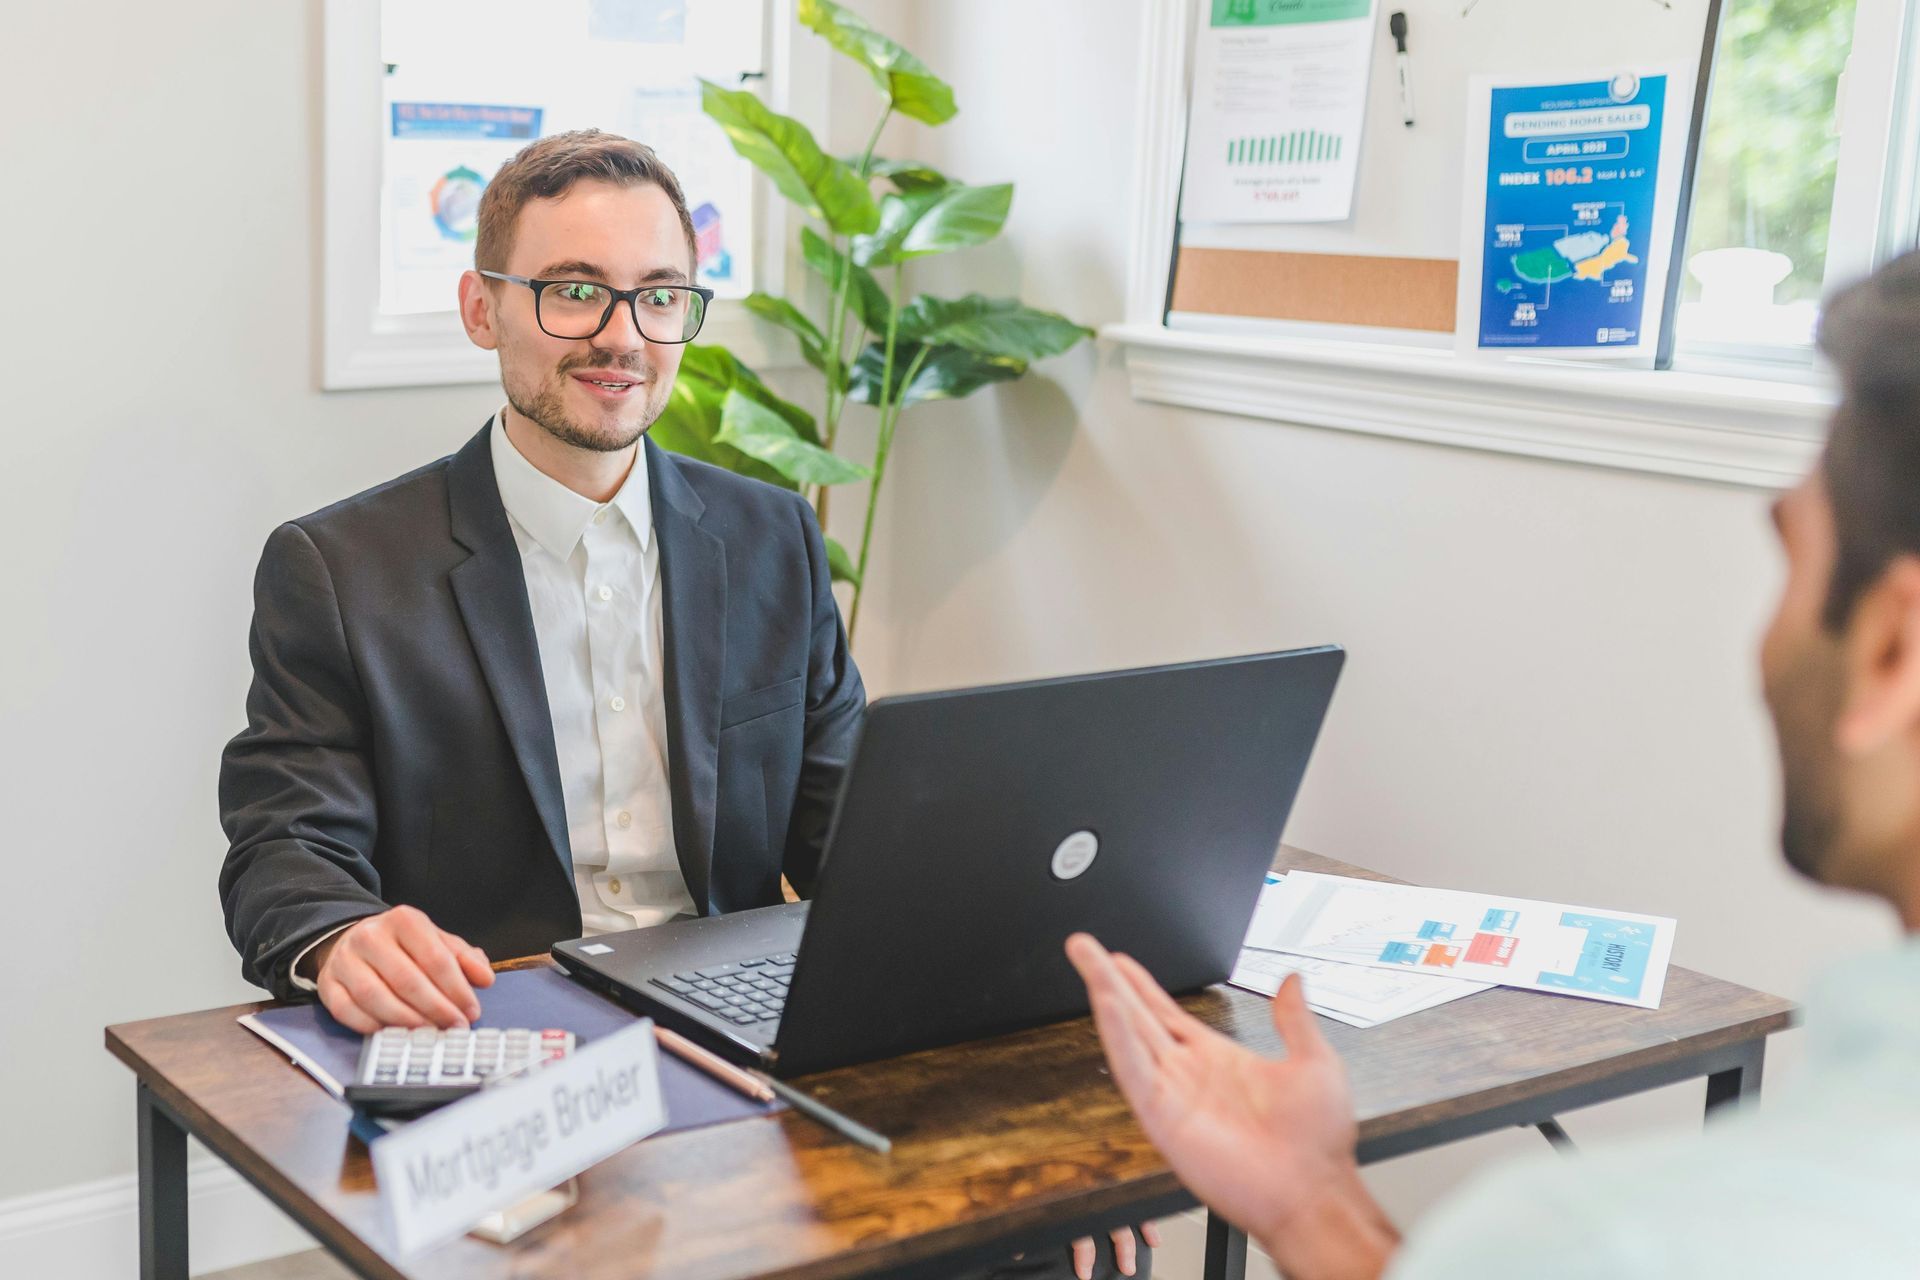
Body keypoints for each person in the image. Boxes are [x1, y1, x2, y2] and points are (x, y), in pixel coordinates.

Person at [220, 128, 1148, 1280]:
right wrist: (344, 934)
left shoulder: (772, 537)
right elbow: (282, 846)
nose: (622, 336)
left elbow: (859, 837)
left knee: (1037, 1242)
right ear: (481, 308)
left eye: (659, 296)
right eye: (574, 293)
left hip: (743, 1046)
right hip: (515, 1056)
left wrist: (1033, 1083)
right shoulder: (340, 567)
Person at [1065, 252, 1920, 1279]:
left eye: (1791, 558)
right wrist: (1309, 1198)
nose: (1766, 636)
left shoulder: (1598, 1243)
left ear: (1891, 651)